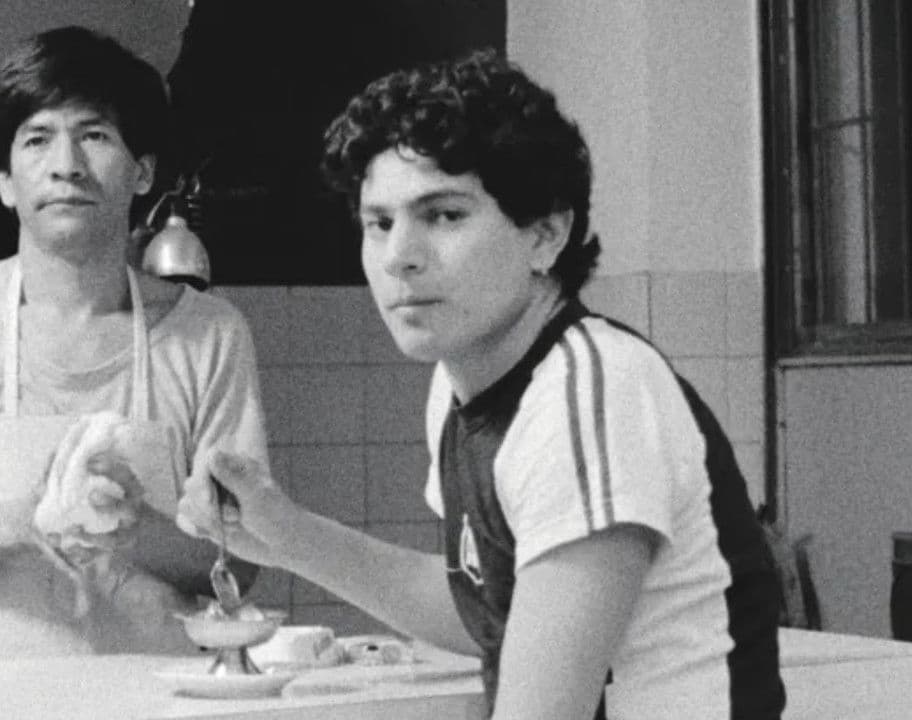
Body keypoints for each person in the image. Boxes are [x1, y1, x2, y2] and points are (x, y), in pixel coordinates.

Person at [177, 49, 785, 719]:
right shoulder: (459, 386)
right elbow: (486, 612)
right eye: (379, 223)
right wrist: (286, 532)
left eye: (444, 215)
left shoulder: (588, 390)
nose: (399, 256)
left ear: (546, 235)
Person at [0, 26, 267, 665]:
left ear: (143, 171)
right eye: (37, 138)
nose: (66, 164)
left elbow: (242, 557)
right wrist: (25, 521)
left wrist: (136, 530)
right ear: (6, 181)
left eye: (94, 135)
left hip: (159, 698)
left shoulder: (210, 333)